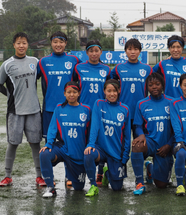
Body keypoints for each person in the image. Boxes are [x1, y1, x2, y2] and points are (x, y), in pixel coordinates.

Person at [0, 32, 45, 186]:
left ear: (27, 45)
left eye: (24, 42)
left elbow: (39, 78)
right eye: (18, 43)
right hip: (15, 111)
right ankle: (7, 176)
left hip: (34, 110)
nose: (21, 45)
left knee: (35, 143)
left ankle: (39, 176)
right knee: (13, 143)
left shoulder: (35, 61)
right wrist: (11, 96)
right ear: (14, 45)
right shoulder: (7, 64)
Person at [37, 31, 82, 186]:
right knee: (49, 144)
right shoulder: (43, 62)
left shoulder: (74, 60)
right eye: (55, 41)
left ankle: (69, 176)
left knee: (69, 142)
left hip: (69, 109)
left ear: (66, 43)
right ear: (51, 43)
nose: (58, 44)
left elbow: (81, 78)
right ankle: (49, 178)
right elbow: (30, 77)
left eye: (61, 42)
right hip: (49, 109)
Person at [39, 81, 91, 197]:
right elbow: (52, 128)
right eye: (69, 92)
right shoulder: (59, 109)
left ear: (79, 93)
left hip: (78, 154)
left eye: (74, 92)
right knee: (45, 154)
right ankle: (50, 187)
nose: (71, 95)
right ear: (64, 94)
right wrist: (48, 144)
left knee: (78, 188)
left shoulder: (86, 110)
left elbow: (90, 132)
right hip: (62, 149)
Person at [84, 79, 131, 197]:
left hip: (116, 152)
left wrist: (125, 156)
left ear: (119, 91)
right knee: (89, 154)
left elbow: (127, 135)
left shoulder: (125, 109)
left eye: (114, 91)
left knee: (117, 188)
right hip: (100, 149)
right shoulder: (99, 104)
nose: (112, 94)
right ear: (104, 91)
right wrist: (91, 144)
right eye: (109, 91)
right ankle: (93, 185)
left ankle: (107, 173)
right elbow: (94, 126)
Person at [74, 40, 111, 185]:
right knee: (83, 142)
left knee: (101, 141)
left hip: (101, 111)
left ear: (101, 52)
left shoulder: (107, 69)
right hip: (83, 110)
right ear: (87, 52)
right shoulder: (79, 68)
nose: (94, 53)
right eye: (91, 51)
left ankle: (100, 172)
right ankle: (78, 173)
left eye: (97, 50)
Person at [131, 73, 174, 195]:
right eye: (150, 85)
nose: (154, 87)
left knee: (161, 185)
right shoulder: (141, 103)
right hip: (150, 141)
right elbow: (138, 126)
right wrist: (140, 135)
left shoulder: (172, 102)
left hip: (165, 144)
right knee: (137, 145)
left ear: (163, 85)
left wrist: (169, 145)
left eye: (157, 84)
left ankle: (150, 168)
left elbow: (177, 129)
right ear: (147, 87)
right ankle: (139, 183)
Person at [111, 38, 153, 138]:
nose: (133, 52)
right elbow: (110, 81)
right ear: (125, 51)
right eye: (130, 49)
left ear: (140, 51)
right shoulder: (119, 68)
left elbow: (156, 81)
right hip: (122, 110)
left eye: (136, 49)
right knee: (121, 141)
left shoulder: (147, 68)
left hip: (140, 111)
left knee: (138, 143)